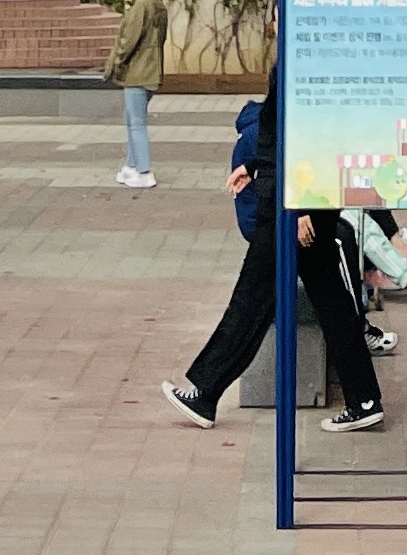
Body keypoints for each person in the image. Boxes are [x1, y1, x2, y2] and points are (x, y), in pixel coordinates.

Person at [163, 67, 384, 432]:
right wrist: (254, 166)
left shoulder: (302, 59)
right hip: (298, 197)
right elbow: (286, 133)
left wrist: (300, 206)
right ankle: (364, 399)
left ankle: (205, 392)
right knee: (330, 300)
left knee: (252, 297)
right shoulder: (305, 57)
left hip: (292, 205)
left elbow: (308, 135)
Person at [105, 0, 166, 190]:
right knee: (132, 120)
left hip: (138, 72)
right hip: (151, 71)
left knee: (136, 123)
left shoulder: (141, 6)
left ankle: (144, 171)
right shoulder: (158, 5)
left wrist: (117, 62)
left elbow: (128, 41)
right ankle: (131, 165)